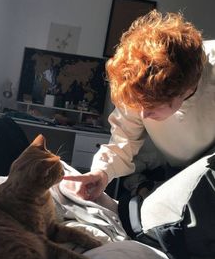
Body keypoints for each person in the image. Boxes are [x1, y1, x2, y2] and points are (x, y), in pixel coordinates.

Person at [63, 10, 215, 201]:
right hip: (174, 169)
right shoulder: (138, 90)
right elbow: (123, 140)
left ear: (185, 90)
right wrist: (102, 173)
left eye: (151, 107)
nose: (143, 116)